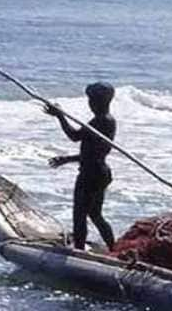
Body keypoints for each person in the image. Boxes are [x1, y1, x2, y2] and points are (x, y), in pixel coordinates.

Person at [43, 82, 117, 251]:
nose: (90, 103)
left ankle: (79, 251)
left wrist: (60, 116)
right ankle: (114, 248)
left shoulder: (100, 121)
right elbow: (94, 153)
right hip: (100, 172)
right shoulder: (108, 121)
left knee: (80, 216)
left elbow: (74, 136)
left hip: (91, 175)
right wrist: (68, 159)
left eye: (92, 100)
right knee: (95, 215)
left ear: (99, 102)